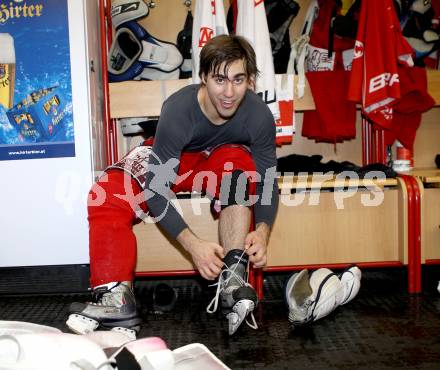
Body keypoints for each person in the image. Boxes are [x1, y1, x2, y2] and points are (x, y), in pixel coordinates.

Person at [66, 34, 279, 337]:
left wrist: (262, 231)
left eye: (238, 79)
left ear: (251, 81)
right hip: (174, 160)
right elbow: (156, 191)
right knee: (106, 195)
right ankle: (116, 298)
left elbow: (269, 181)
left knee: (239, 165)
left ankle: (233, 279)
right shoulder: (179, 110)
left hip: (219, 163)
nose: (229, 92)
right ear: (203, 77)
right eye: (219, 80)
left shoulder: (258, 116)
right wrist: (194, 246)